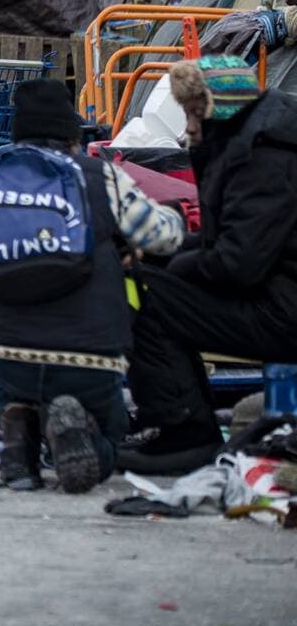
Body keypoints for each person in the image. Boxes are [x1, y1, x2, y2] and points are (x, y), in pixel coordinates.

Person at [0, 80, 184, 493]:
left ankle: (18, 440)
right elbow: (162, 238)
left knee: (15, 389)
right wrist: (172, 216)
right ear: (72, 136)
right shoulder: (100, 177)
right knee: (109, 437)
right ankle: (83, 432)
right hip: (91, 358)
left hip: (9, 351)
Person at [122, 56, 297, 474]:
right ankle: (183, 420)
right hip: (281, 296)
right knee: (147, 275)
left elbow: (239, 263)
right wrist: (164, 251)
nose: (186, 130)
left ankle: (183, 432)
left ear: (212, 108)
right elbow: (233, 242)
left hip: (283, 312)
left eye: (190, 115)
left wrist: (171, 266)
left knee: (139, 291)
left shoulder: (263, 154)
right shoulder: (259, 138)